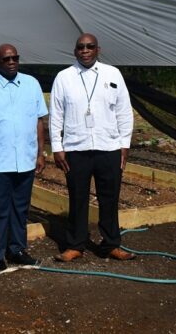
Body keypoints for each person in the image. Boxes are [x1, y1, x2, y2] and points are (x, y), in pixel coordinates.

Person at [49, 33, 136, 262]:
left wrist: (124, 145)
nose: (85, 50)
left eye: (90, 46)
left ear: (98, 49)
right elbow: (56, 115)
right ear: (75, 51)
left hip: (109, 147)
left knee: (110, 197)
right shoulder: (64, 77)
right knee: (77, 198)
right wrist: (57, 147)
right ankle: (75, 244)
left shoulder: (112, 74)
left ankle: (111, 244)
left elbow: (124, 111)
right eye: (80, 47)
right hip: (76, 149)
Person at [0, 44, 48, 279]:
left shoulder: (31, 84)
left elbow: (38, 121)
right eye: (6, 59)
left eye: (15, 58)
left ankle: (17, 249)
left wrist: (40, 153)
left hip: (25, 159)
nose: (12, 62)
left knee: (20, 208)